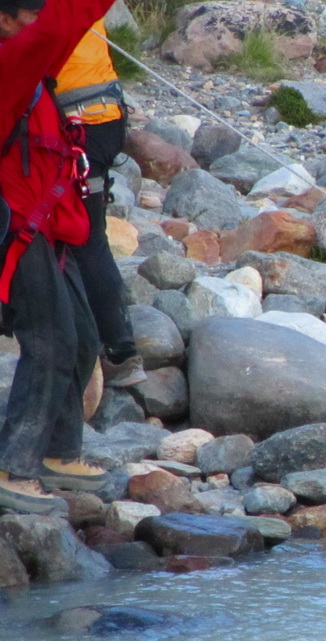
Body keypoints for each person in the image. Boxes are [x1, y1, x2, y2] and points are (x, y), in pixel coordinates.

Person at [0, 0, 118, 514]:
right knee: (49, 341)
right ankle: (13, 466)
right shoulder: (9, 66)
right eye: (30, 16)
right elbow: (59, 25)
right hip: (15, 230)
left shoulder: (35, 71)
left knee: (82, 337)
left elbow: (65, 30)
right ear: (5, 21)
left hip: (46, 228)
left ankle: (58, 452)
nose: (40, 27)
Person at [55, 17, 145, 387]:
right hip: (105, 121)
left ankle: (114, 350)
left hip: (72, 126)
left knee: (81, 237)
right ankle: (118, 351)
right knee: (87, 235)